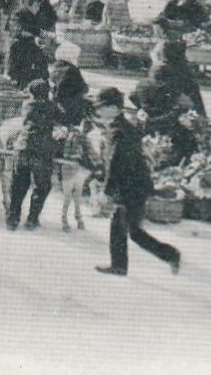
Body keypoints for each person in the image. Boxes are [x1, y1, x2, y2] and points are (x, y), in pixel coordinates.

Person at [93, 87, 181, 276]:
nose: (98, 111)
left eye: (101, 107)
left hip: (130, 189)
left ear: (114, 108)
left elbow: (116, 163)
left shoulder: (119, 131)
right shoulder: (124, 126)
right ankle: (169, 255)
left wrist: (107, 191)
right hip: (136, 186)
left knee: (121, 228)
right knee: (132, 231)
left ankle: (120, 266)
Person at [5, 79, 57, 231]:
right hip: (42, 151)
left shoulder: (26, 105)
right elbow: (63, 118)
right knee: (43, 186)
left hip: (22, 148)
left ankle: (12, 220)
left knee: (18, 185)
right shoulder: (52, 107)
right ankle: (32, 220)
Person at [48, 41, 89, 127]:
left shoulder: (55, 67)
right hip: (70, 106)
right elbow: (83, 87)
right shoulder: (71, 70)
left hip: (55, 102)